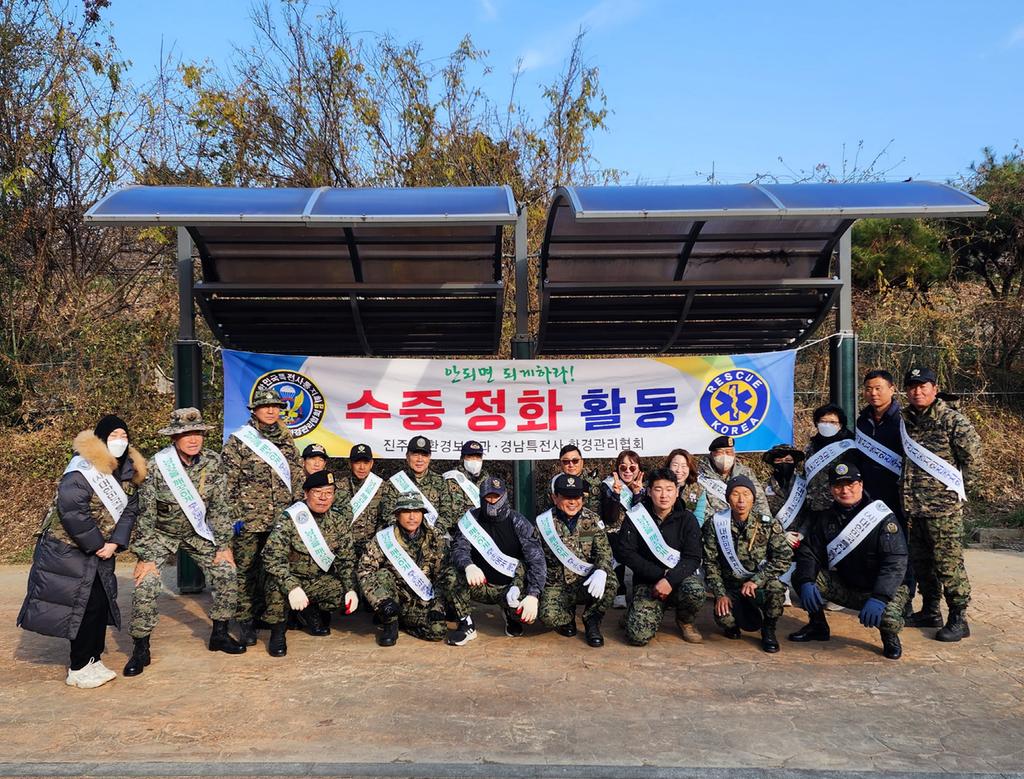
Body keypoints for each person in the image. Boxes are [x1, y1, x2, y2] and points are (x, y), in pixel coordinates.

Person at [19, 415, 146, 688]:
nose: (119, 441)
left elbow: (130, 510)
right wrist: (98, 545)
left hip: (102, 551)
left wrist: (114, 544)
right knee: (81, 607)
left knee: (99, 605)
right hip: (69, 551)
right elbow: (72, 511)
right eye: (113, 436)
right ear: (100, 439)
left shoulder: (127, 470)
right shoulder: (82, 469)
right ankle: (78, 667)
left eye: (124, 436)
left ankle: (93, 659)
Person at [123, 408, 245, 677]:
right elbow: (146, 514)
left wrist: (224, 546)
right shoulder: (157, 466)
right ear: (174, 438)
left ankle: (220, 634)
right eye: (186, 434)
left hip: (196, 532)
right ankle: (140, 648)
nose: (193, 439)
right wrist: (145, 557)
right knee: (147, 583)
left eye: (197, 433)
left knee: (226, 571)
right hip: (161, 533)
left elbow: (220, 507)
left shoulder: (213, 461)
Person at [789, 462, 910, 660]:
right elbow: (809, 551)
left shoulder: (881, 517)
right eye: (838, 486)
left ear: (861, 485)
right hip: (848, 585)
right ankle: (818, 626)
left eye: (851, 484)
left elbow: (895, 562)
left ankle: (889, 637)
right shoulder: (826, 518)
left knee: (889, 619)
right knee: (801, 577)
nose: (845, 491)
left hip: (879, 589)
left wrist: (880, 597)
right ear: (831, 489)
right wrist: (806, 581)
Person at [900, 367, 982, 641]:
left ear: (934, 389)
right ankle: (930, 610)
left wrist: (957, 494)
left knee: (949, 565)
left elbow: (973, 461)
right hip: (913, 508)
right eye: (912, 386)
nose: (917, 391)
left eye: (923, 386)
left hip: (943, 510)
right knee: (922, 564)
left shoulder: (953, 420)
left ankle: (958, 618)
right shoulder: (904, 421)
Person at [222, 388, 304, 646]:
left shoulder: (287, 440)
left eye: (275, 407)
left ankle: (272, 617)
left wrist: (297, 511)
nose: (270, 411)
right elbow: (227, 483)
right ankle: (245, 620)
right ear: (254, 410)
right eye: (265, 407)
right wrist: (234, 516)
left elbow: (297, 476)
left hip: (281, 520)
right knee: (246, 571)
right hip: (248, 520)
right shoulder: (239, 441)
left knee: (275, 570)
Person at [261, 470, 359, 656]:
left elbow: (346, 559)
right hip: (288, 579)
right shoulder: (290, 518)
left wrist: (351, 589)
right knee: (275, 586)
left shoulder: (338, 520)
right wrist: (292, 587)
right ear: (306, 493)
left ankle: (310, 610)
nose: (323, 498)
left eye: (329, 492)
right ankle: (278, 632)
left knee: (342, 592)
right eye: (318, 492)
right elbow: (272, 557)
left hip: (316, 579)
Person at [444, 477, 547, 645]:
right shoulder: (471, 520)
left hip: (510, 588)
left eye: (496, 496)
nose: (492, 501)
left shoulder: (518, 522)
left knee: (535, 613)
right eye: (488, 496)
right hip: (479, 584)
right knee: (450, 575)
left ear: (504, 496)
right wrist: (468, 565)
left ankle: (510, 614)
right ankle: (466, 623)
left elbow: (536, 560)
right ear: (481, 497)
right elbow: (459, 548)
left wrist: (533, 595)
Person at [703, 475, 793, 653]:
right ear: (728, 498)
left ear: (753, 497)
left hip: (758, 584)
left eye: (746, 494)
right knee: (725, 619)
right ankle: (734, 623)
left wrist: (757, 580)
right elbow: (710, 562)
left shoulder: (767, 524)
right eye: (735, 494)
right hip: (731, 585)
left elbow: (783, 557)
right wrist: (720, 594)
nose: (741, 500)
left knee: (776, 589)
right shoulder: (715, 524)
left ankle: (769, 629)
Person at [617, 468, 704, 646]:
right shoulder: (636, 517)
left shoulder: (687, 519)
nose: (664, 495)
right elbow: (626, 553)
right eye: (658, 489)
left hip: (678, 580)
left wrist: (669, 580)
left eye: (669, 489)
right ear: (649, 492)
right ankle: (635, 611)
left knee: (695, 590)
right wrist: (659, 575)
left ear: (677, 492)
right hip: (647, 583)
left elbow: (693, 558)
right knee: (638, 637)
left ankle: (685, 620)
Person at [856, 369, 914, 613]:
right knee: (873, 548)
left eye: (878, 388)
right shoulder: (862, 420)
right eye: (868, 388)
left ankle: (904, 600)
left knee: (900, 549)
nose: (873, 393)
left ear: (892, 389)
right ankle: (874, 595)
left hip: (898, 497)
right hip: (869, 498)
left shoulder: (905, 421)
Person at [358, 492, 449, 646]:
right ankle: (390, 623)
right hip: (393, 597)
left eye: (417, 511)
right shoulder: (384, 538)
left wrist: (438, 606)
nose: (412, 517)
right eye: (406, 511)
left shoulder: (435, 537)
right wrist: (380, 601)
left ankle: (402, 622)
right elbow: (365, 570)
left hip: (422, 598)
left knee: (437, 631)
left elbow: (443, 574)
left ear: (422, 514)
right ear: (397, 515)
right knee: (382, 574)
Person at [538, 474, 617, 647]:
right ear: (555, 498)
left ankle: (592, 621)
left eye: (577, 497)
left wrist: (601, 570)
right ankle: (567, 617)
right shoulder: (544, 523)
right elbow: (533, 558)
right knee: (547, 616)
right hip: (557, 584)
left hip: (584, 581)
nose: (573, 502)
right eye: (567, 497)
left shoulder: (592, 520)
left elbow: (604, 552)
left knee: (610, 581)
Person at [377, 436, 460, 536]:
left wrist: (433, 533)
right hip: (402, 537)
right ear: (407, 456)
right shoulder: (394, 482)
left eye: (424, 455)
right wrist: (407, 534)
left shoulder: (440, 482)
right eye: (415, 455)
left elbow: (446, 514)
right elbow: (388, 514)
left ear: (429, 458)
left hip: (434, 537)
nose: (420, 459)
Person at [599, 449, 645, 609]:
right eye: (623, 467)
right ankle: (620, 591)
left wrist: (637, 494)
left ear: (638, 469)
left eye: (632, 467)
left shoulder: (644, 488)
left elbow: (641, 515)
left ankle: (639, 589)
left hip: (636, 532)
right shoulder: (608, 485)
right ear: (617, 468)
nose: (627, 471)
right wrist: (616, 494)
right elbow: (611, 518)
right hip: (615, 532)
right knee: (616, 544)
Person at [803, 403, 862, 514]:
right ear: (816, 423)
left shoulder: (850, 446)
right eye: (823, 421)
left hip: (841, 505)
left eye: (832, 422)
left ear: (840, 425)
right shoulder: (811, 446)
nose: (827, 425)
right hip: (814, 506)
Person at [696, 436, 770, 523]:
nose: (725, 456)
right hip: (714, 525)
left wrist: (765, 523)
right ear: (712, 454)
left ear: (734, 454)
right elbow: (700, 508)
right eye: (720, 452)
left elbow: (760, 502)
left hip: (746, 524)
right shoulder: (700, 475)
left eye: (728, 452)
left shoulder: (746, 473)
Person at [335, 443, 385, 559]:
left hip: (373, 549)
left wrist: (374, 545)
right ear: (350, 463)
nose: (362, 467)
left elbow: (385, 519)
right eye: (357, 462)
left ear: (371, 464)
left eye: (366, 463)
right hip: (345, 548)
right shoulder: (338, 488)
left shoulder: (381, 487)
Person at [550, 444, 602, 513]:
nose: (571, 465)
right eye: (566, 461)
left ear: (582, 461)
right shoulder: (555, 482)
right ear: (560, 463)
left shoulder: (595, 481)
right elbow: (547, 510)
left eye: (575, 461)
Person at [443, 440, 489, 513]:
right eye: (470, 456)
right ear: (462, 458)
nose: (475, 460)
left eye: (478, 457)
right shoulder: (451, 478)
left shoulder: (487, 481)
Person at [665, 449, 706, 526]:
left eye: (684, 466)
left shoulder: (698, 490)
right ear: (668, 466)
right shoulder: (658, 485)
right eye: (675, 465)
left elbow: (699, 518)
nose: (679, 470)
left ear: (690, 468)